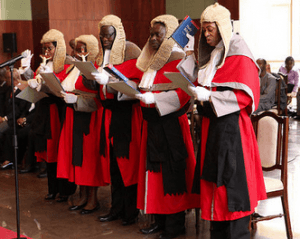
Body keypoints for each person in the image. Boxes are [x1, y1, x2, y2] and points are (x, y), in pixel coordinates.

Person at [180, 3, 266, 239]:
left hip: (233, 131)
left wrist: (210, 95)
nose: (205, 34)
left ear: (223, 28)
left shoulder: (239, 52)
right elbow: (204, 82)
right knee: (215, 191)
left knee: (231, 191)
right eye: (204, 30)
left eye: (210, 30)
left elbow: (245, 97)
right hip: (212, 128)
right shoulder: (216, 52)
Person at [135, 15, 199, 239]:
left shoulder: (180, 60)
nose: (152, 39)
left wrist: (156, 100)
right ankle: (159, 220)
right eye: (151, 34)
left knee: (172, 177)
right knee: (155, 177)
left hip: (172, 126)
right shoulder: (151, 62)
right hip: (153, 126)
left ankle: (175, 225)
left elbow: (184, 93)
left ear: (169, 36)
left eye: (158, 35)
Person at [92, 15, 143, 225]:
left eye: (109, 35)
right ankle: (116, 207)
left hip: (126, 115)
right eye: (102, 36)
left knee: (127, 165)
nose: (105, 40)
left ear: (118, 33)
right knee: (114, 164)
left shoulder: (131, 52)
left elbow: (137, 85)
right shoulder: (101, 55)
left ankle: (130, 212)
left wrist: (111, 81)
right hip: (109, 114)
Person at [56, 34, 107, 214]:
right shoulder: (73, 68)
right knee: (77, 157)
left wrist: (76, 99)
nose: (78, 53)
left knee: (89, 160)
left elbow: (98, 98)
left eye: (82, 49)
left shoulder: (94, 70)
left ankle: (93, 199)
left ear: (91, 50)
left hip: (89, 119)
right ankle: (83, 195)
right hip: (73, 116)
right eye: (77, 49)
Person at [27, 29, 76, 202]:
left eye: (50, 48)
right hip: (44, 112)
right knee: (49, 153)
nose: (46, 52)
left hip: (58, 111)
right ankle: (52, 188)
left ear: (59, 47)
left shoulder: (68, 62)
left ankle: (65, 190)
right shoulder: (44, 63)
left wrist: (42, 85)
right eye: (45, 48)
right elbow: (37, 83)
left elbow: (62, 87)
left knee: (59, 152)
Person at [0, 68, 33, 169]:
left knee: (3, 131)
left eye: (7, 78)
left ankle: (8, 159)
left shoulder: (23, 90)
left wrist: (5, 118)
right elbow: (3, 106)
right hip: (10, 118)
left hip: (15, 119)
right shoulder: (8, 89)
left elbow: (20, 110)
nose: (5, 81)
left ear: (13, 79)